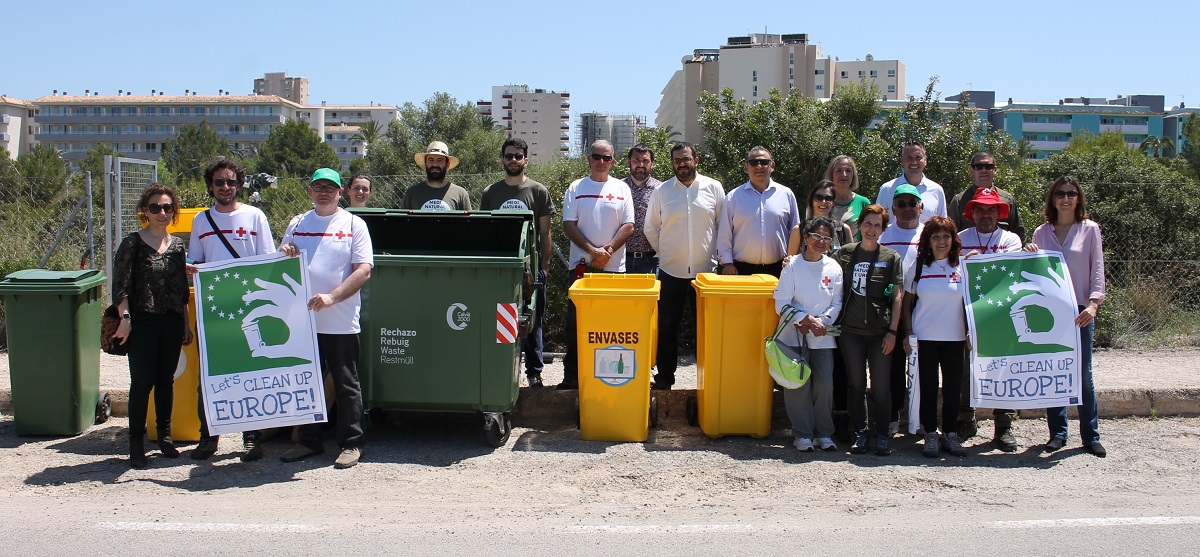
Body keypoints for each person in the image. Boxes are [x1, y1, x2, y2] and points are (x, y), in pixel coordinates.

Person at [278, 168, 374, 469]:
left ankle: (351, 444)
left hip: (341, 322)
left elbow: (363, 270)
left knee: (346, 384)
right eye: (318, 187)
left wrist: (332, 297)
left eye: (330, 188)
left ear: (340, 193)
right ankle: (308, 442)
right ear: (309, 191)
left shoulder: (353, 224)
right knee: (306, 383)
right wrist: (285, 250)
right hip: (303, 323)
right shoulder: (297, 223)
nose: (323, 192)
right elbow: (281, 258)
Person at [187, 158, 276, 462]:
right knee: (211, 375)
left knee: (249, 372)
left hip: (249, 307)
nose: (225, 187)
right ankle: (208, 437)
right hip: (214, 310)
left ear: (239, 184)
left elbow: (267, 262)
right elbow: (196, 262)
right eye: (219, 182)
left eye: (231, 182)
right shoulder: (201, 221)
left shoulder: (255, 217)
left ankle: (251, 438)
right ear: (210, 186)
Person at [110, 183, 192, 468]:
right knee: (142, 383)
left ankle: (165, 438)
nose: (162, 212)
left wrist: (186, 323)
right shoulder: (132, 243)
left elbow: (181, 289)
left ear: (174, 211)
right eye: (155, 207)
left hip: (170, 321)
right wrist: (126, 320)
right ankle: (136, 443)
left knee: (165, 382)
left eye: (167, 207)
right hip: (142, 321)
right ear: (145, 211)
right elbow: (120, 287)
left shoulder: (178, 246)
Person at [1027, 176, 1106, 457]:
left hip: (1080, 312)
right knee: (1054, 373)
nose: (1066, 198)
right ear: (1052, 198)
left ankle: (1091, 436)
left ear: (1078, 198)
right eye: (1060, 193)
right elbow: (1034, 271)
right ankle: (1058, 433)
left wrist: (1094, 305)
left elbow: (1097, 269)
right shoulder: (1041, 232)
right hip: (1050, 313)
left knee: (1083, 376)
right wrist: (1028, 254)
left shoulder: (1090, 230)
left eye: (1071, 193)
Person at [645, 142, 725, 390]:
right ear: (672, 163)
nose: (682, 164)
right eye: (677, 160)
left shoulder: (714, 188)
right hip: (671, 272)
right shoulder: (663, 191)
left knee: (706, 329)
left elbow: (723, 226)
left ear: (696, 160)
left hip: (706, 274)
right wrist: (665, 252)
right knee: (667, 326)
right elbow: (651, 227)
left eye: (686, 159)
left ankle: (708, 378)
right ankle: (665, 377)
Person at [558, 140, 635, 389]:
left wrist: (608, 251)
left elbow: (629, 225)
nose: (601, 162)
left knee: (611, 325)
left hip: (614, 269)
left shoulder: (622, 188)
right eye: (596, 157)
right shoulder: (576, 187)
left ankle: (608, 376)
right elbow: (569, 224)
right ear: (589, 159)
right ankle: (571, 376)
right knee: (576, 324)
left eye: (606, 158)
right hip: (581, 269)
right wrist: (593, 251)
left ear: (613, 161)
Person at [480, 138, 556, 389]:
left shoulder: (538, 191)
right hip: (501, 270)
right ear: (502, 159)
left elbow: (546, 233)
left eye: (518, 156)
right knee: (499, 320)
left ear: (526, 160)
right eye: (509, 156)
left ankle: (534, 372)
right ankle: (499, 370)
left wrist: (544, 267)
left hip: (530, 270)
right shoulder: (491, 193)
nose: (513, 160)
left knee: (532, 322)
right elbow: (486, 232)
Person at [833, 204, 903, 455]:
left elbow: (897, 297)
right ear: (860, 225)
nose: (872, 229)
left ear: (883, 229)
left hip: (880, 333)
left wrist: (893, 331)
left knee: (882, 387)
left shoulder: (891, 257)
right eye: (868, 223)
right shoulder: (844, 253)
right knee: (856, 385)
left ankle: (882, 433)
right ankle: (860, 433)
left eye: (877, 225)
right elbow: (825, 277)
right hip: (851, 332)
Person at [957, 186, 1023, 451]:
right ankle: (965, 419)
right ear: (972, 213)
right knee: (964, 368)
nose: (985, 215)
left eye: (991, 210)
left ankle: (1004, 424)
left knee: (1002, 368)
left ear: (999, 213)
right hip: (965, 312)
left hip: (1000, 314)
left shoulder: (1011, 240)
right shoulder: (959, 238)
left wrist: (974, 263)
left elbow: (1005, 275)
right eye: (980, 209)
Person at [774, 217, 843, 452]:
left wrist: (821, 322)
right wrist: (803, 319)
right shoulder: (792, 266)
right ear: (805, 237)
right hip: (794, 335)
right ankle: (802, 433)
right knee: (797, 385)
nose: (821, 242)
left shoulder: (834, 267)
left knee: (824, 385)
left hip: (823, 335)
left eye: (826, 238)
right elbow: (781, 302)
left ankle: (824, 434)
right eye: (817, 236)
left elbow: (837, 301)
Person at [902, 217, 968, 458]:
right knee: (928, 387)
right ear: (927, 241)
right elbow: (907, 302)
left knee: (952, 388)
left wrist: (971, 331)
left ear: (954, 239)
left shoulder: (963, 266)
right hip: (924, 338)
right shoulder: (918, 266)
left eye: (946, 237)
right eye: (936, 237)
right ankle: (930, 433)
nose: (941, 242)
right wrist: (908, 332)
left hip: (955, 337)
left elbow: (971, 304)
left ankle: (950, 434)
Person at [877, 184, 925, 435]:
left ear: (921, 207)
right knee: (893, 366)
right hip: (892, 306)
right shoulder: (884, 235)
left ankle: (921, 418)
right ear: (893, 208)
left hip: (924, 306)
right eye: (901, 203)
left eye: (912, 203)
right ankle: (894, 415)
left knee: (925, 366)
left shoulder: (930, 234)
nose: (907, 208)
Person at [717, 146, 799, 277]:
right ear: (746, 166)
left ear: (772, 166)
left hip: (779, 269)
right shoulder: (733, 197)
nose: (759, 166)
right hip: (741, 270)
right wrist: (727, 263)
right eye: (754, 162)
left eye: (764, 162)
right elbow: (724, 234)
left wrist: (793, 261)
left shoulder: (786, 194)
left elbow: (795, 231)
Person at [947, 152, 1025, 242]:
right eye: (978, 167)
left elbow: (1018, 233)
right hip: (969, 253)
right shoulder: (959, 201)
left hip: (1002, 254)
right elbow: (950, 234)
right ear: (971, 170)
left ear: (995, 170)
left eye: (989, 167)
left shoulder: (1007, 199)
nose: (984, 170)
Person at [875, 140, 947, 224]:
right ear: (902, 162)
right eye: (909, 158)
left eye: (918, 157)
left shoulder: (937, 190)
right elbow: (878, 223)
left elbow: (942, 226)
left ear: (925, 161)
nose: (914, 162)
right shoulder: (887, 189)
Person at [622, 143, 663, 274]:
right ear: (629, 162)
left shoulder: (662, 189)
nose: (640, 165)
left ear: (652, 163)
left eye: (645, 161)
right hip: (621, 259)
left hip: (652, 260)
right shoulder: (618, 187)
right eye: (636, 160)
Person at [787, 180, 853, 256]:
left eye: (828, 198)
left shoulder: (843, 230)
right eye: (818, 198)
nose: (823, 201)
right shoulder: (799, 230)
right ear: (811, 200)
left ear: (833, 202)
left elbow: (851, 261)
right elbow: (790, 263)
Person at [403, 141, 471, 211]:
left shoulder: (460, 194)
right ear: (425, 163)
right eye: (431, 160)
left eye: (440, 160)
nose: (435, 164)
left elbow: (469, 221)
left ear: (447, 164)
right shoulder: (412, 193)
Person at [826, 155, 871, 240]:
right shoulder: (822, 201)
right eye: (839, 171)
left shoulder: (863, 203)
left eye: (848, 171)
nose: (844, 174)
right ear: (831, 174)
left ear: (853, 175)